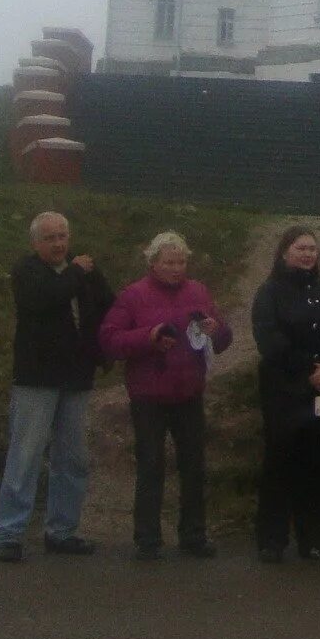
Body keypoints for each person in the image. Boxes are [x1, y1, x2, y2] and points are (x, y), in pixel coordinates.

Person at [97, 230, 232, 560]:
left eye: (181, 261)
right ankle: (147, 538)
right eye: (169, 262)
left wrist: (218, 330)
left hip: (189, 391)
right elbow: (109, 339)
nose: (176, 268)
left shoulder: (199, 291)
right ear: (153, 263)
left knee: (194, 466)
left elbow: (224, 339)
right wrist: (149, 337)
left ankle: (194, 536)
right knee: (151, 465)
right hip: (149, 394)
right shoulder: (133, 295)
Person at [0, 210, 115, 563]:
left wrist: (107, 346)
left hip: (76, 378)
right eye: (50, 238)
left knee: (73, 458)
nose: (59, 243)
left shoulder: (86, 273)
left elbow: (111, 306)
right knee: (25, 456)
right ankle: (9, 533)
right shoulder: (27, 272)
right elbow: (46, 298)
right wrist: (77, 271)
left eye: (63, 236)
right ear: (35, 243)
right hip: (36, 379)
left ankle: (62, 530)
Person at [252, 226, 320, 563]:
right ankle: (272, 540)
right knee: (281, 463)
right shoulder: (269, 293)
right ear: (285, 252)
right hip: (285, 390)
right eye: (301, 248)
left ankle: (317, 540)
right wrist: (310, 368)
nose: (308, 254)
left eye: (312, 249)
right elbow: (270, 340)